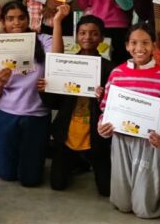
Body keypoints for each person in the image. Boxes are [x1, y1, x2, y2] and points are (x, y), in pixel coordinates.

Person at [98, 23, 160, 217]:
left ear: (154, 46)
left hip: (149, 143)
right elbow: (105, 109)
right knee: (122, 205)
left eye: (145, 43)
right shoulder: (117, 74)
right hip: (121, 141)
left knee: (145, 210)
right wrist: (102, 126)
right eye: (134, 43)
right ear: (127, 46)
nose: (140, 48)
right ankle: (158, 185)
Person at [0, 2, 51, 187]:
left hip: (36, 114)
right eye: (10, 19)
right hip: (7, 114)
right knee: (7, 175)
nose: (17, 23)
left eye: (21, 18)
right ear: (3, 22)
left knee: (30, 180)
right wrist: (0, 81)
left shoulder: (43, 40)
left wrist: (58, 21)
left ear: (28, 20)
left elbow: (57, 55)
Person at [48, 12, 114, 195]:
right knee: (57, 184)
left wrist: (103, 98)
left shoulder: (110, 68)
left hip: (96, 134)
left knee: (106, 190)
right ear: (76, 37)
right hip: (67, 132)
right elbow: (54, 102)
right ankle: (77, 161)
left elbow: (114, 106)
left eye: (94, 33)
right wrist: (45, 87)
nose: (88, 37)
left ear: (101, 38)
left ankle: (85, 161)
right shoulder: (67, 63)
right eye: (83, 32)